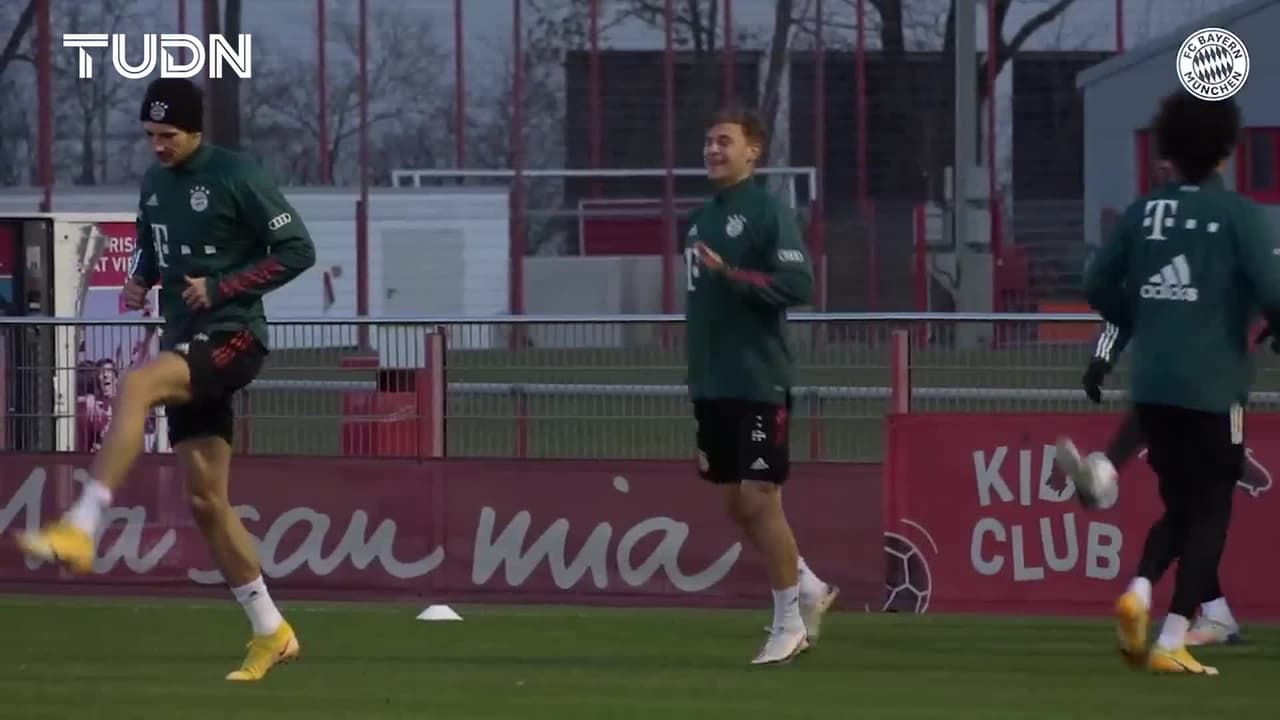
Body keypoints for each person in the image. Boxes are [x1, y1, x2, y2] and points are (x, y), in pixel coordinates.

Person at [15, 78, 316, 682]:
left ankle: (82, 524)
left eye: (168, 135)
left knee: (137, 386)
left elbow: (297, 250)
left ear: (195, 129)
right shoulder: (155, 183)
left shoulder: (236, 175)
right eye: (150, 135)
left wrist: (223, 287)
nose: (157, 145)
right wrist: (139, 278)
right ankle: (271, 631)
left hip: (234, 333)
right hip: (186, 338)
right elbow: (152, 246)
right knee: (207, 501)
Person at [1076, 91, 1280, 675]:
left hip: (1152, 389)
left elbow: (1096, 284)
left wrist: (1142, 317)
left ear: (1167, 150)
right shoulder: (1240, 215)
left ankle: (1139, 590)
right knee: (1211, 512)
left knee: (1181, 508)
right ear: (1224, 151)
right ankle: (1172, 638)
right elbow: (1275, 292)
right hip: (1215, 387)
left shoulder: (1144, 212)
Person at [684, 107, 838, 665]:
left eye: (724, 141)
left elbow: (798, 283)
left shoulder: (769, 212)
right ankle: (809, 584)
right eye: (708, 141)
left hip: (758, 379)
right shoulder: (700, 219)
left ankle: (789, 623)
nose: (713, 150)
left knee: (759, 496)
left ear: (753, 151)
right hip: (712, 381)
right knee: (734, 501)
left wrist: (732, 275)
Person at [1057, 321, 1244, 647]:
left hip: (1175, 398)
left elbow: (1118, 316)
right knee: (1199, 520)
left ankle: (1172, 601)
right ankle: (1192, 618)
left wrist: (1101, 360)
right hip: (1212, 404)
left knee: (1185, 519)